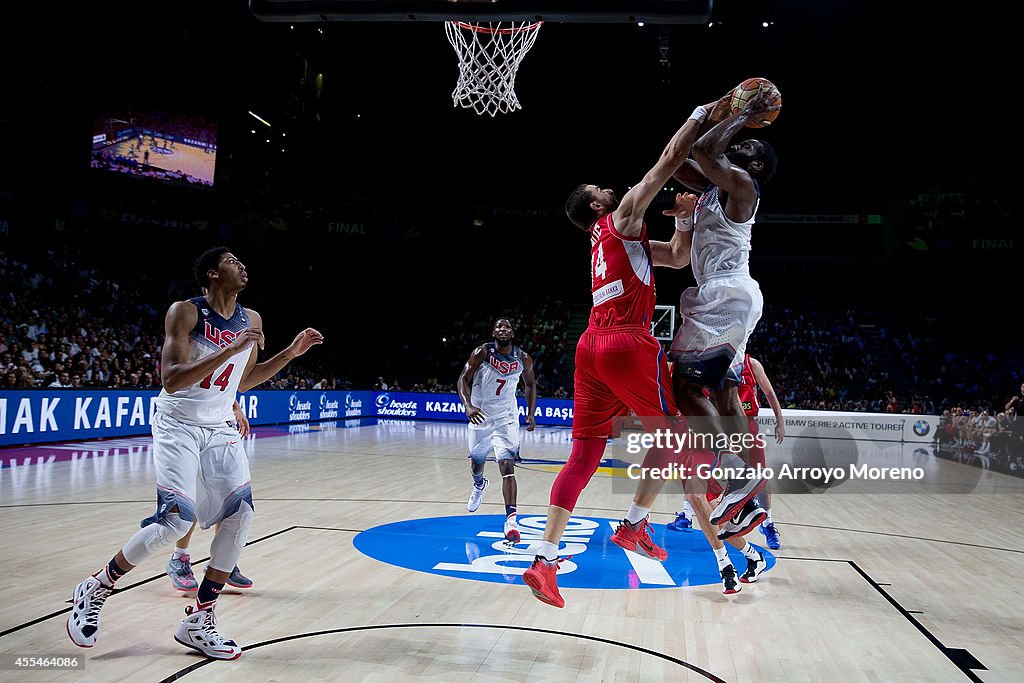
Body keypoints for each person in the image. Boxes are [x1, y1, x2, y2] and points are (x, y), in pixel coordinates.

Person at [522, 90, 765, 609]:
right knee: (685, 431)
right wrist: (708, 112)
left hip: (589, 347)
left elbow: (677, 258)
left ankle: (544, 559)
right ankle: (723, 501)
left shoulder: (608, 241)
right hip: (627, 344)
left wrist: (682, 218)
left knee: (585, 454)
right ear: (595, 205)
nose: (607, 186)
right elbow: (670, 159)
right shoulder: (626, 213)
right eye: (597, 187)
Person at [67, 246, 324, 660]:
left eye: (242, 262)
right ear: (211, 274)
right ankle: (97, 586)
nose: (242, 266)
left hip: (219, 424)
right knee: (174, 522)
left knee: (241, 517)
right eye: (231, 261)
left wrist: (289, 354)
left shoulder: (252, 319)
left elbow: (246, 380)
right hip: (178, 423)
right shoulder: (186, 313)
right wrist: (228, 349)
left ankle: (199, 620)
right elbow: (171, 379)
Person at [666, 82, 780, 533]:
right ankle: (746, 491)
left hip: (725, 295)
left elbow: (707, 148)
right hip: (731, 297)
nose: (738, 141)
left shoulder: (744, 185)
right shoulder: (717, 188)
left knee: (688, 390)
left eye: (746, 143)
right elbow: (683, 156)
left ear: (753, 164)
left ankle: (736, 475)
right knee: (726, 390)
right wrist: (727, 113)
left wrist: (735, 113)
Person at [668, 353, 785, 549]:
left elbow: (770, 394)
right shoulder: (710, 361)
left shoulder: (751, 364)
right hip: (717, 425)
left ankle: (768, 523)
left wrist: (779, 421)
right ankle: (687, 513)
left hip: (745, 424)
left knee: (759, 475)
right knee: (696, 469)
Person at [457, 318, 537, 543]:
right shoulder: (482, 352)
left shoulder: (523, 358)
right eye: (499, 327)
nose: (503, 330)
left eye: (507, 327)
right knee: (476, 461)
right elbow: (463, 379)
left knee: (507, 464)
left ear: (513, 333)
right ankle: (479, 484)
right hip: (481, 414)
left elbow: (530, 384)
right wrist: (469, 406)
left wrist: (530, 413)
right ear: (493, 332)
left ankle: (511, 520)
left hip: (506, 417)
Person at [165, 400, 254, 592]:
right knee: (194, 497)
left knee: (229, 496)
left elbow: (225, 383)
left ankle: (222, 562)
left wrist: (236, 408)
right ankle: (179, 558)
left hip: (220, 427)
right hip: (192, 427)